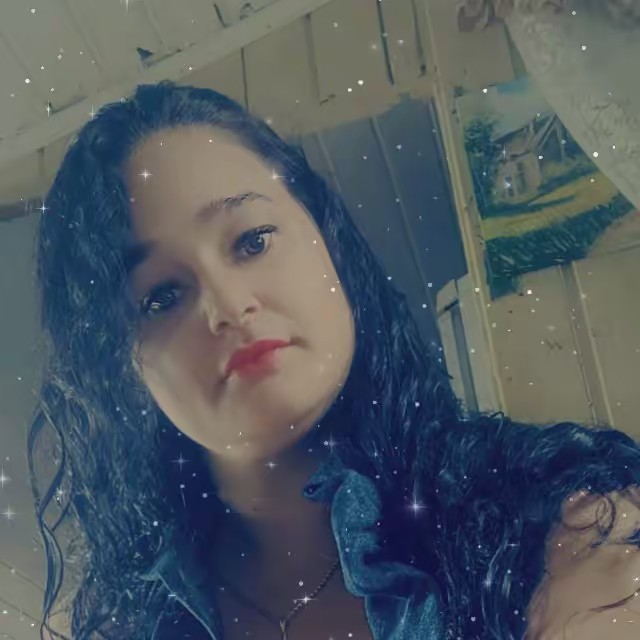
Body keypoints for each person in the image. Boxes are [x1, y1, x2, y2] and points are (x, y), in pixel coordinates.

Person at [27, 80, 640, 640]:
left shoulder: (557, 522)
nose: (228, 306)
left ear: (328, 242)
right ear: (122, 369)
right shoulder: (131, 624)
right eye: (161, 295)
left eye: (252, 240)